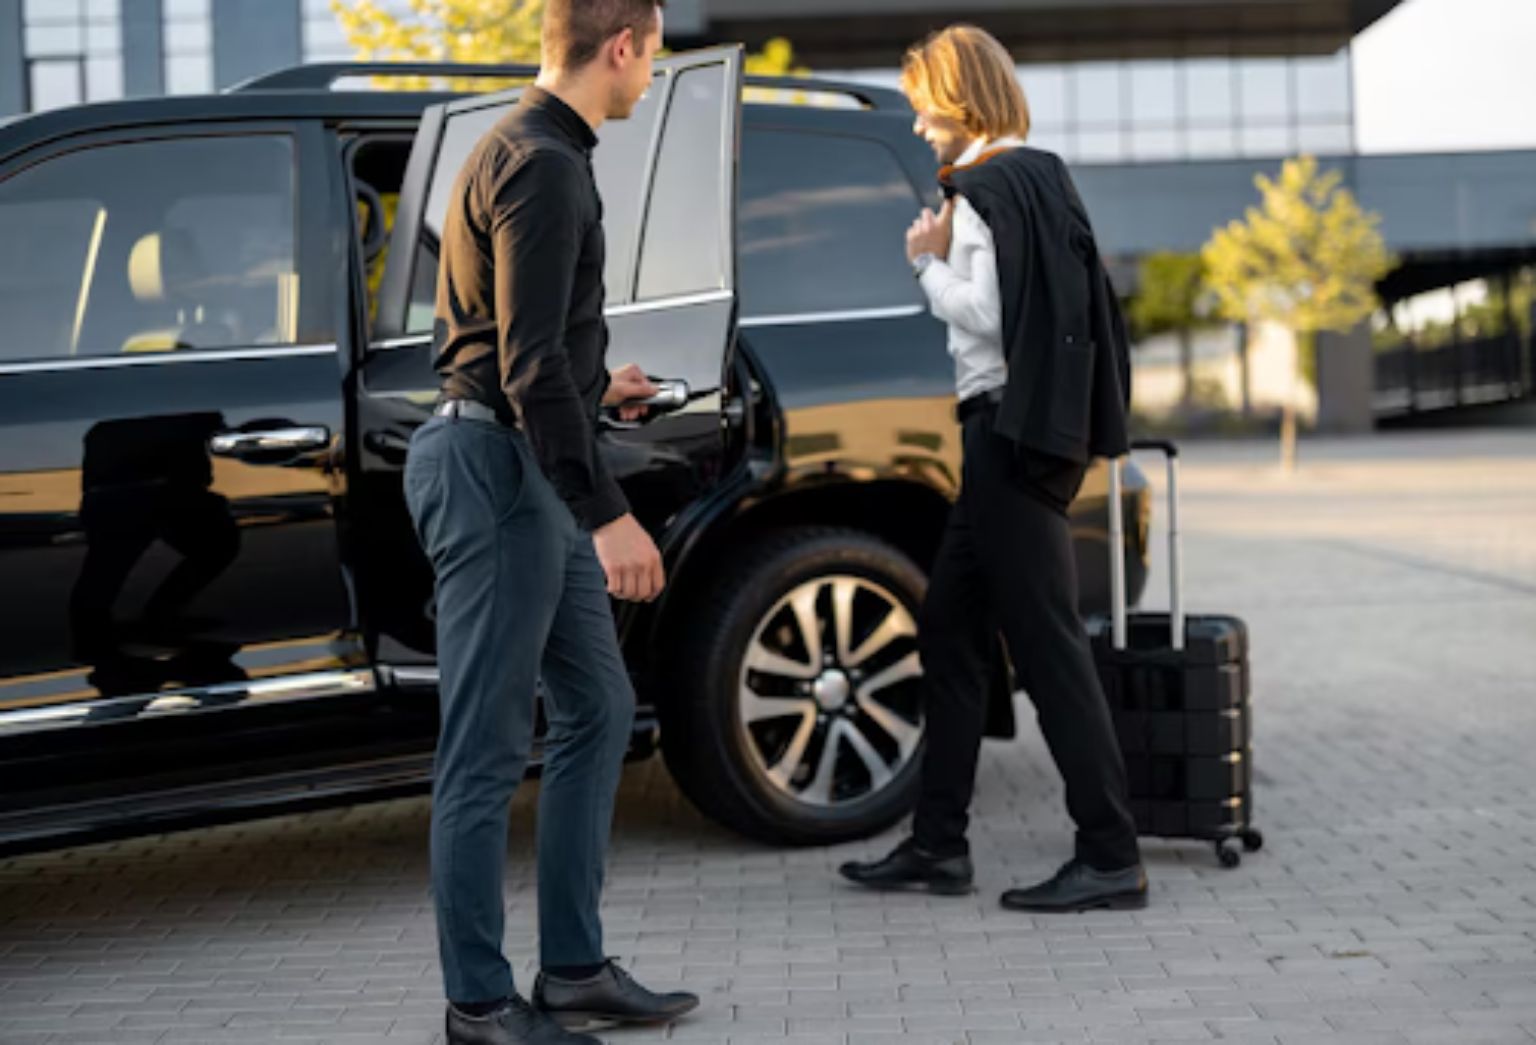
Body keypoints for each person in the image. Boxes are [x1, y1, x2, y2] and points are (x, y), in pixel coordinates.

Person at [402, 2, 698, 1042]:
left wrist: (593, 380)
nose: (652, 76)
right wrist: (609, 514)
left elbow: (524, 348)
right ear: (622, 47)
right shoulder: (542, 163)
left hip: (518, 458)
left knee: (599, 706)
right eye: (654, 56)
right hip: (493, 469)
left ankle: (572, 970)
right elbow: (522, 364)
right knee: (482, 748)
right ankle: (479, 1005)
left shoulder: (525, 147)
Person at [839, 24, 1148, 914]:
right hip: (1037, 437)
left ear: (958, 97)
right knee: (949, 631)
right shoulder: (1045, 177)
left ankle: (1110, 854)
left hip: (1001, 437)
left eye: (923, 109)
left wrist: (926, 265)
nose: (920, 128)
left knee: (1049, 647)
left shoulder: (976, 192)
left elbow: (984, 316)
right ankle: (939, 844)